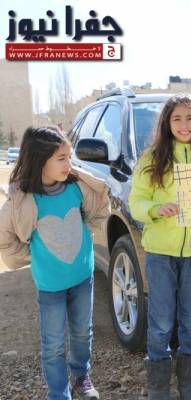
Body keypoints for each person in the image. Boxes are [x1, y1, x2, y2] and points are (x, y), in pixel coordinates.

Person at [129, 94, 191, 400]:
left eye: (190, 118)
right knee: (161, 322)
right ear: (167, 123)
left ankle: (189, 385)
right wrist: (155, 209)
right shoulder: (152, 158)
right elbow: (136, 202)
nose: (184, 124)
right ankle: (158, 388)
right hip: (161, 252)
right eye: (177, 118)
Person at [0, 126, 110, 400]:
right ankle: (58, 393)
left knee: (82, 334)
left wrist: (85, 234)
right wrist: (34, 255)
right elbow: (5, 239)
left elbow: (100, 207)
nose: (68, 164)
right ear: (40, 159)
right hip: (50, 286)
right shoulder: (22, 200)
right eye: (61, 158)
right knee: (53, 344)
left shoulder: (76, 187)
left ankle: (81, 377)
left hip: (83, 277)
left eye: (69, 157)